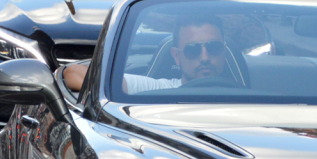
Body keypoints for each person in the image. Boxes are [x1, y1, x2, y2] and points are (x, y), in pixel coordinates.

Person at [64, 18, 236, 94]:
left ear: (224, 50)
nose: (204, 57)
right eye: (192, 49)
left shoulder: (252, 97)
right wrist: (107, 93)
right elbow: (73, 72)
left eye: (214, 47)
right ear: (176, 56)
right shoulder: (155, 91)